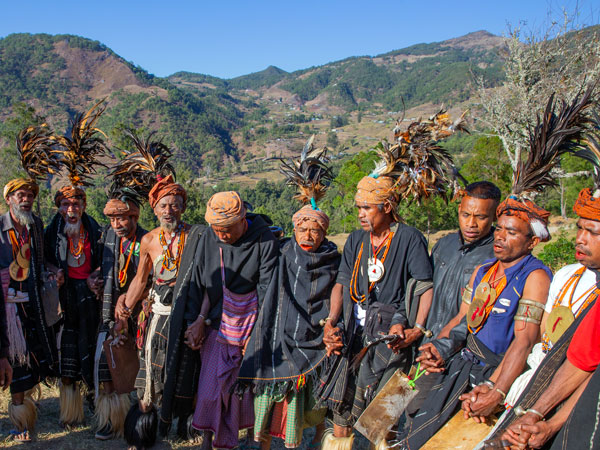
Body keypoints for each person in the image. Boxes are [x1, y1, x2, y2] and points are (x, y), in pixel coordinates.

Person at [317, 174, 434, 450]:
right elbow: (342, 283)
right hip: (353, 334)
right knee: (342, 408)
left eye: (367, 207)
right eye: (359, 208)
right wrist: (331, 321)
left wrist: (416, 328)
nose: (361, 214)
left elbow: (423, 286)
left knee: (385, 416)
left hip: (395, 335)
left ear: (387, 207)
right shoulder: (357, 240)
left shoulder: (410, 238)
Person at [238, 144, 340, 449]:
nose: (308, 235)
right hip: (278, 336)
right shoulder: (281, 253)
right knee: (270, 405)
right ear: (293, 230)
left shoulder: (334, 260)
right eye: (302, 228)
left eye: (315, 230)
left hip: (315, 336)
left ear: (324, 233)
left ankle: (314, 441)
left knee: (313, 400)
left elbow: (339, 293)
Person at [499, 188, 600, 449]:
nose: (580, 239)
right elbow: (581, 360)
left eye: (593, 232)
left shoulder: (537, 276)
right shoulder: (566, 276)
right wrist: (534, 413)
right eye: (580, 228)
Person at [116, 174, 207, 448]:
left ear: (183, 207)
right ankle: (144, 429)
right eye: (163, 205)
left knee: (185, 372)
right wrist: (124, 311)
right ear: (154, 209)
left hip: (187, 318)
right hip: (157, 317)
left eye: (175, 204)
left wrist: (202, 318)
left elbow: (208, 282)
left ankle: (183, 424)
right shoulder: (149, 240)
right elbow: (141, 279)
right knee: (150, 373)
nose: (169, 211)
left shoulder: (197, 236)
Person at [405, 181, 500, 421]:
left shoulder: (495, 257)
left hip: (460, 354)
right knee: (406, 412)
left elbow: (477, 314)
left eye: (480, 217)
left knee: (433, 422)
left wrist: (443, 347)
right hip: (424, 346)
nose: (471, 223)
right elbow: (423, 289)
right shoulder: (444, 245)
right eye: (466, 214)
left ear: (494, 216)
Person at [192, 191, 278, 450]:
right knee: (210, 388)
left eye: (227, 230)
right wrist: (200, 319)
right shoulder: (211, 236)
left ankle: (246, 439)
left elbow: (267, 289)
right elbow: (209, 282)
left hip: (251, 318)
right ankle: (207, 438)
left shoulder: (264, 239)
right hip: (217, 320)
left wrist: (257, 334)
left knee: (242, 390)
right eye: (217, 229)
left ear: (243, 220)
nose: (222, 236)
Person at [2, 173, 58, 441]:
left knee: (35, 356)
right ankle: (19, 422)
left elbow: (42, 259)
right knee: (16, 359)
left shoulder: (35, 225)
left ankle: (30, 406)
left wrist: (51, 272)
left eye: (30, 196)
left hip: (32, 302)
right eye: (20, 196)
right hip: (7, 309)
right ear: (9, 199)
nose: (26, 200)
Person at [45, 185, 103, 426]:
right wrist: (54, 272)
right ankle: (70, 412)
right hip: (65, 298)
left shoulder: (95, 230)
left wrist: (95, 275)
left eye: (76, 205)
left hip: (90, 298)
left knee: (90, 347)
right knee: (67, 351)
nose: (71, 209)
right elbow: (43, 259)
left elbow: (107, 260)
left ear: (83, 207)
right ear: (59, 208)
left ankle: (93, 399)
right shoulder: (52, 232)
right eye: (66, 205)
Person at [93, 191, 147, 440]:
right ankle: (109, 419)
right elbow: (99, 268)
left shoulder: (148, 239)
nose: (117, 224)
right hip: (108, 311)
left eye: (122, 218)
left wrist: (129, 301)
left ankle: (135, 421)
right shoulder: (107, 238)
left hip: (140, 312)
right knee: (108, 363)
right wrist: (92, 281)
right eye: (113, 219)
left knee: (136, 366)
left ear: (134, 216)